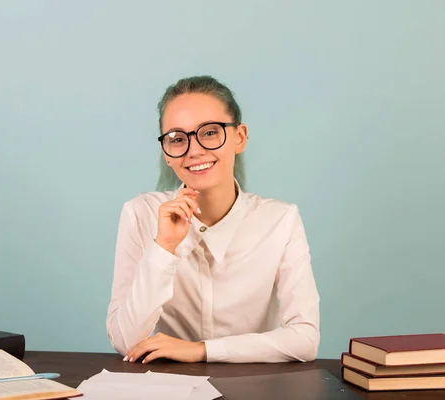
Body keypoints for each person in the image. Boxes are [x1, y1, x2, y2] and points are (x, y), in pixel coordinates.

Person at [106, 75, 320, 364]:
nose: (194, 150)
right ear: (167, 154)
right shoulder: (141, 214)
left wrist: (202, 350)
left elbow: (305, 339)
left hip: (251, 388)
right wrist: (164, 248)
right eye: (178, 138)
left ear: (239, 137)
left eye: (209, 132)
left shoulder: (280, 220)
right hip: (165, 388)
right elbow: (126, 342)